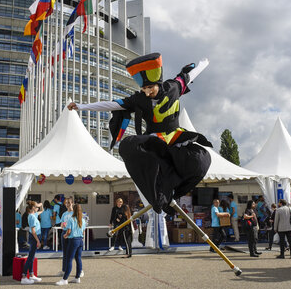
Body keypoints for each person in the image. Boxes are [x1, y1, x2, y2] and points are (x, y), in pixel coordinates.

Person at [68, 53, 212, 216]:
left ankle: (172, 194)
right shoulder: (139, 99)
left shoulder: (173, 88)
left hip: (175, 138)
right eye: (143, 89)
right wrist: (81, 106)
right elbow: (112, 104)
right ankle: (158, 197)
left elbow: (189, 76)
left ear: (158, 83)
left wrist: (203, 63)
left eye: (150, 88)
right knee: (128, 145)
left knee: (201, 160)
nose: (147, 92)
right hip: (154, 140)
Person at [56, 204, 87, 285]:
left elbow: (69, 231)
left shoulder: (71, 219)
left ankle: (65, 279)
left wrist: (65, 236)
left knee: (69, 259)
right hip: (80, 240)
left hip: (73, 240)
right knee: (78, 258)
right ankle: (77, 277)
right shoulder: (83, 220)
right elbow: (83, 232)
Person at [59, 196, 84, 277]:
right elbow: (61, 224)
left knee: (75, 255)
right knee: (65, 253)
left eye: (69, 203)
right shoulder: (64, 214)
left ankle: (80, 271)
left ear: (72, 203)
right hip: (65, 233)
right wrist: (63, 225)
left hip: (73, 235)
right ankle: (64, 270)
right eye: (66, 203)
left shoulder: (75, 213)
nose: (67, 204)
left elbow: (80, 225)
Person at [21, 200, 43, 284]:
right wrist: (38, 241)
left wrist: (40, 205)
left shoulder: (33, 215)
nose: (38, 208)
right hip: (34, 237)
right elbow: (33, 231)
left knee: (32, 257)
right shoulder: (32, 217)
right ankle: (23, 276)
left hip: (34, 237)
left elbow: (42, 211)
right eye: (36, 207)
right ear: (33, 208)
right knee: (30, 257)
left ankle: (31, 274)